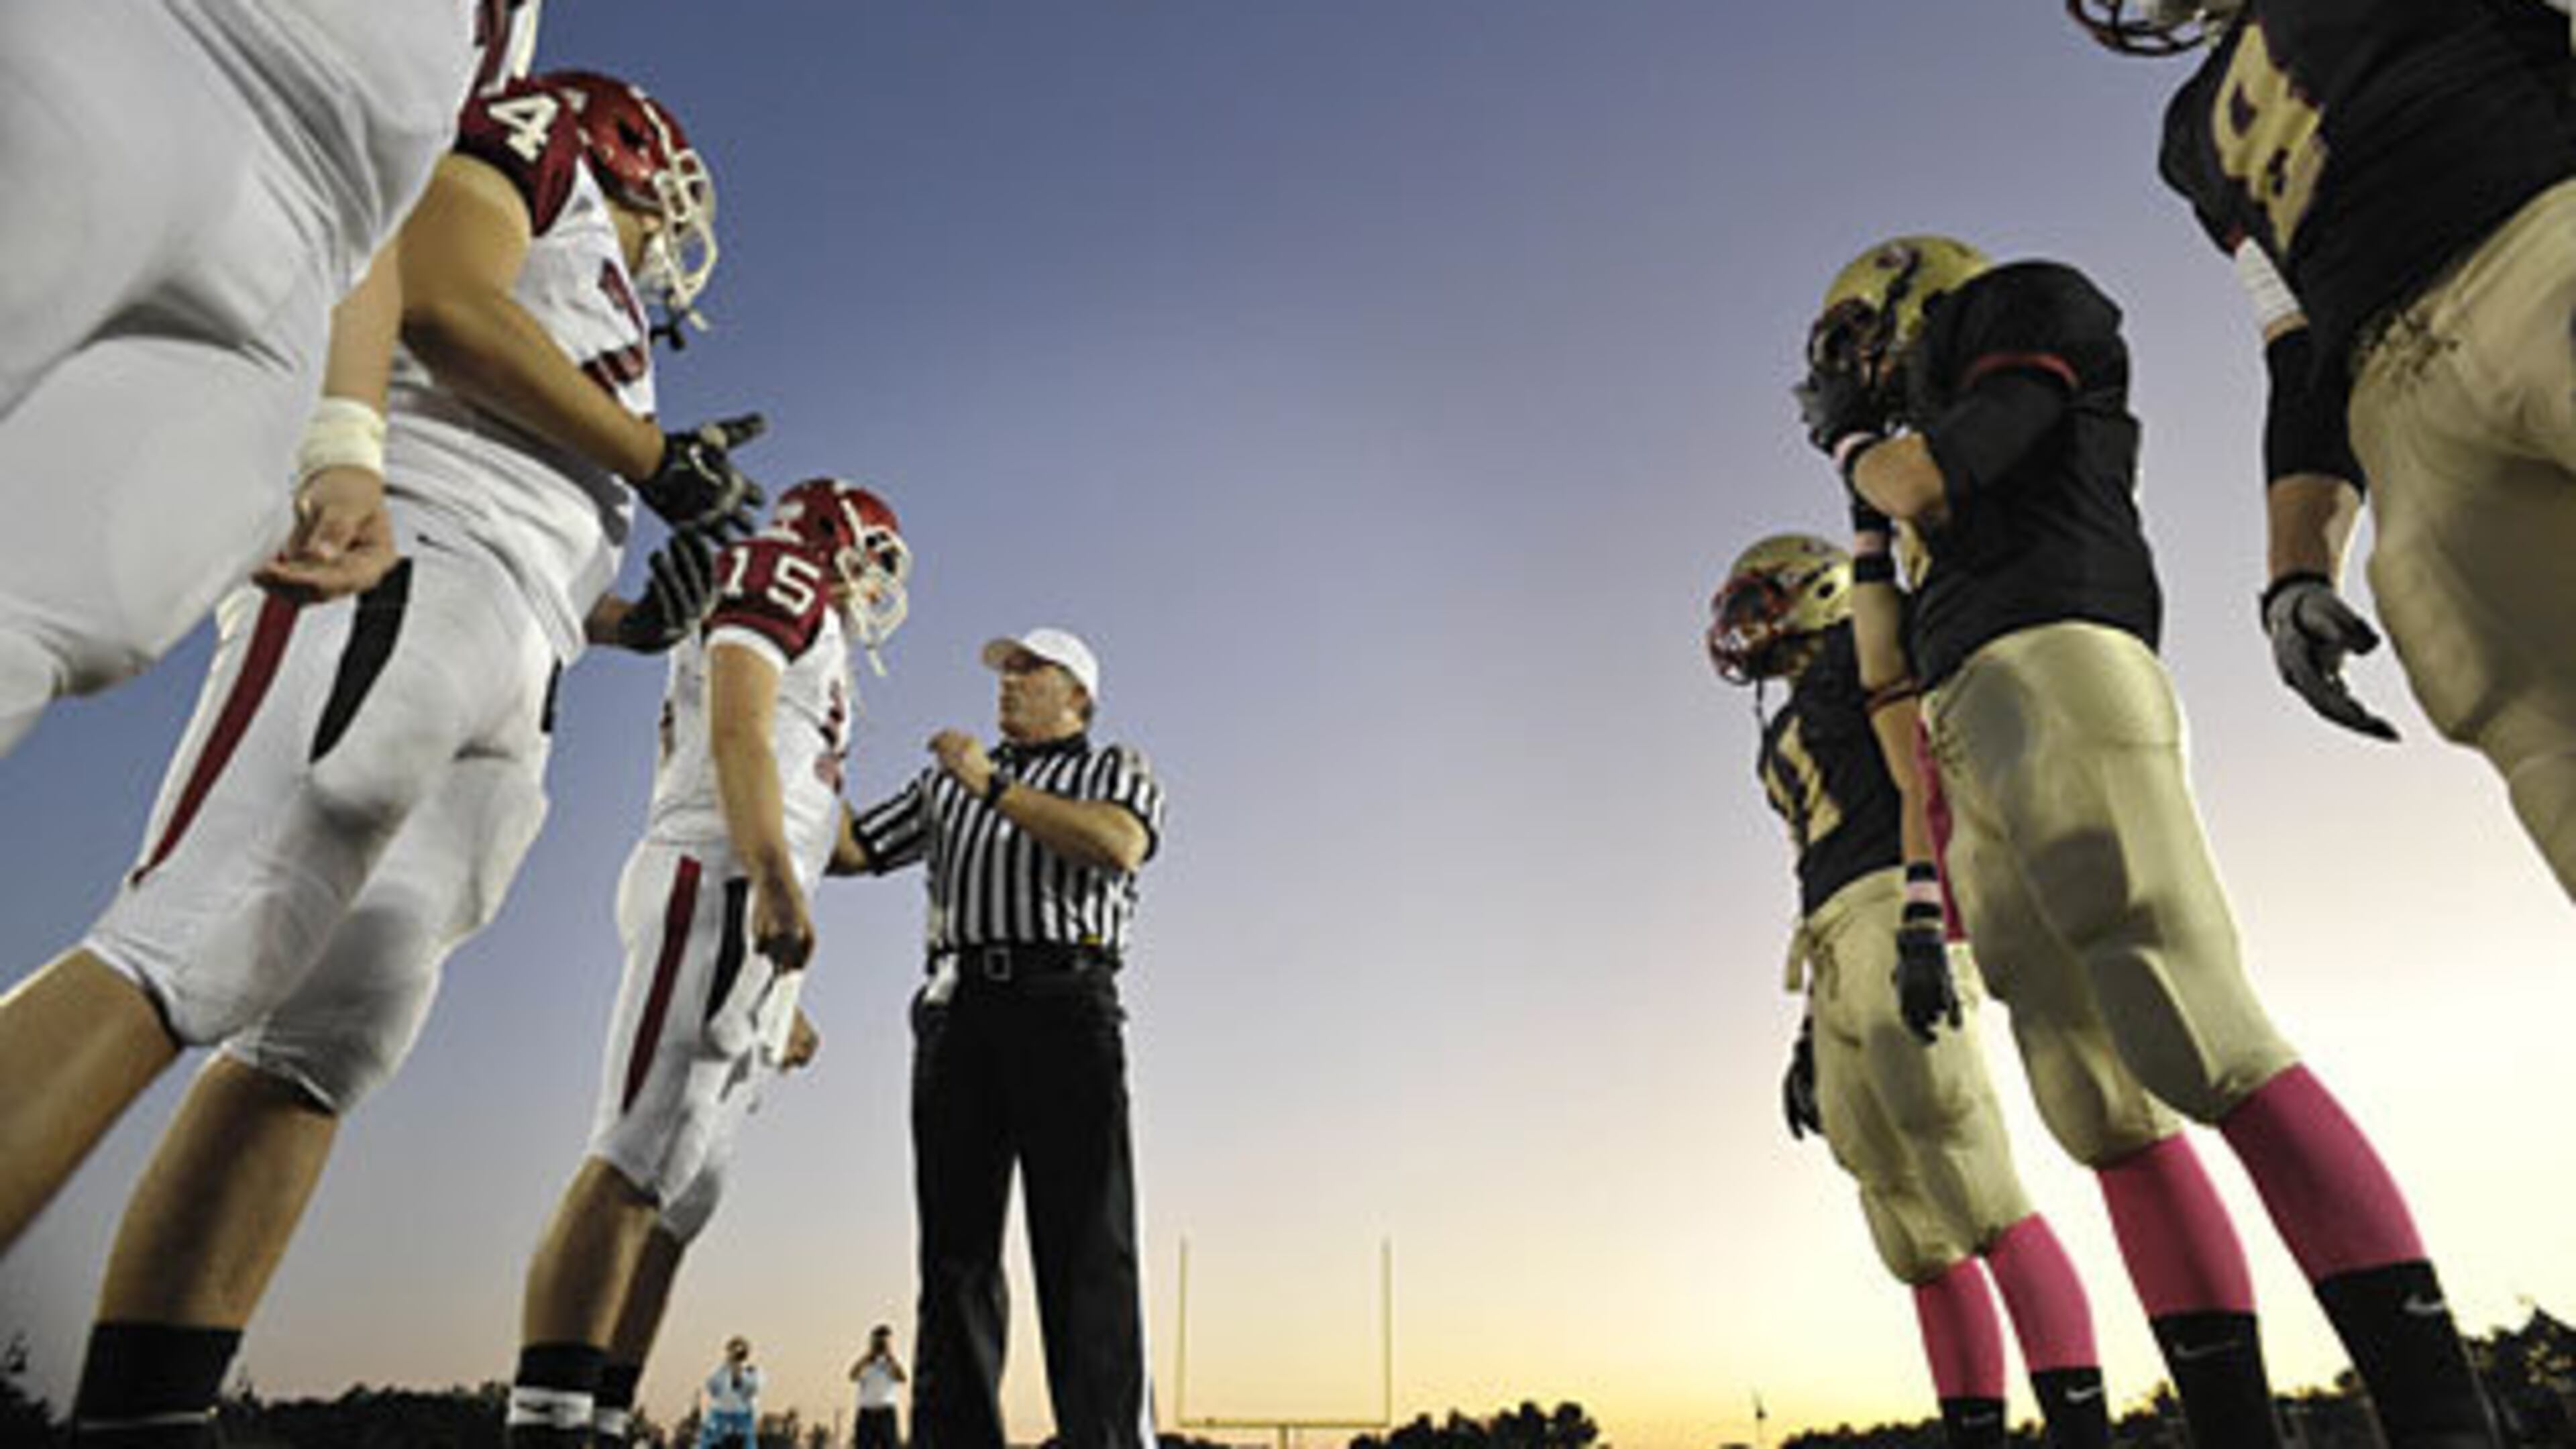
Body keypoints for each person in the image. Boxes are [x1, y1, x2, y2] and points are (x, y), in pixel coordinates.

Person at [0, 67, 764, 1446]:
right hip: (405, 556)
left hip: (515, 633)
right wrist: (655, 461)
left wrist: (633, 614)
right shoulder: (538, 138)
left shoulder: (604, 314)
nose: (671, 224)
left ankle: (142, 1417)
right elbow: (442, 297)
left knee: (321, 1048)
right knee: (191, 936)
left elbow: (532, 491)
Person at [1799, 232, 2500, 1446]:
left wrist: (1862, 453)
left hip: (2062, 664)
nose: (1854, 371)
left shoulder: (2023, 304)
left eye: (1862, 340)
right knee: (2096, 1108)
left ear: (1916, 298)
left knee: (2201, 1032)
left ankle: (2441, 1416)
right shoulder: (1891, 456)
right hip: (1969, 718)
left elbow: (1933, 481)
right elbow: (1879, 656)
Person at [2068, 0, 2576, 902]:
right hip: (2393, 399)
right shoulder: (2192, 133)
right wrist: (2295, 575)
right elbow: (2296, 346)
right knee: (2528, 720)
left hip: (2543, 236)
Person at [0, 0, 547, 757]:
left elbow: (385, 212)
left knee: (87, 594)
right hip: (144, 39)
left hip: (311, 237)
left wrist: (345, 440)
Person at [505, 479, 914, 1448]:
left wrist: (789, 982)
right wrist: (774, 879)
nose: (880, 581)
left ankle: (602, 1414)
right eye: (877, 555)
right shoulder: (782, 569)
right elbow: (737, 727)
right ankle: (546, 1420)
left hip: (749, 898)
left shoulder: (822, 636)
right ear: (832, 535)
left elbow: (834, 832)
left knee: (686, 1195)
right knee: (635, 1155)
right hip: (717, 874)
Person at [1708, 533, 2111, 1448]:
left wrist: (1931, 918)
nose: (1745, 625)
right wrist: (1811, 1029)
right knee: (1903, 1221)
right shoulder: (1782, 723)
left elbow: (1920, 776)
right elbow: (1809, 865)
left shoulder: (1869, 643)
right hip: (1833, 946)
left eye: (1759, 600)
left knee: (1975, 1182)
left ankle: (2084, 1432)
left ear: (1816, 589)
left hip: (1899, 906)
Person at [841, 627, 1167, 1449]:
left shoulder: (1110, 768)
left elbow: (1117, 843)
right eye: (1004, 670)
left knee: (1084, 1247)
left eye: (1032, 669)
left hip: (1065, 1002)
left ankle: (1106, 1440)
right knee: (954, 1259)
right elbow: (852, 849)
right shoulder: (944, 784)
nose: (1009, 682)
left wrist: (991, 786)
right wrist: (790, 762)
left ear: (1079, 695)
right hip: (959, 1014)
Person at [849, 1324, 909, 1449]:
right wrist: (868, 1356)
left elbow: (903, 1378)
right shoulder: (865, 1363)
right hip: (867, 1413)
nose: (880, 1346)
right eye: (878, 1341)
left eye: (884, 1342)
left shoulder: (890, 1364)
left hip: (886, 1413)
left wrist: (890, 1357)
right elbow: (852, 1376)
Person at [699, 1336, 763, 1449]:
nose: (736, 1355)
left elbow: (751, 1388)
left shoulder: (753, 1372)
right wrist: (727, 1364)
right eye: (733, 1351)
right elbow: (712, 1387)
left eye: (739, 1352)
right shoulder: (722, 1371)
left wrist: (738, 1369)